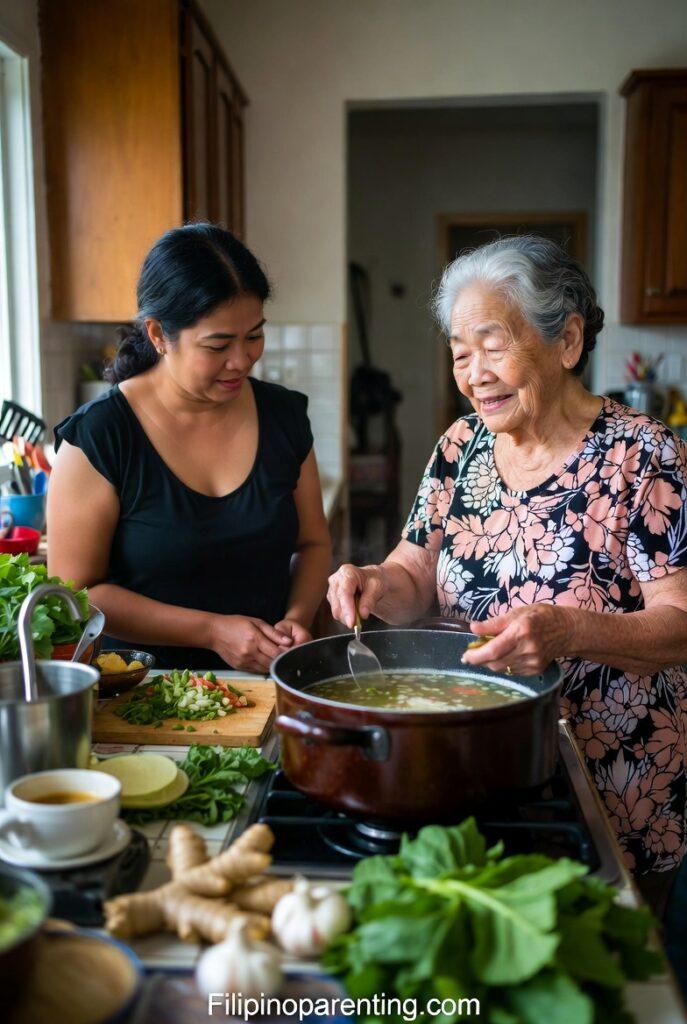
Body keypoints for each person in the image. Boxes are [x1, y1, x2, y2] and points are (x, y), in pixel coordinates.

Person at [328, 235, 687, 911]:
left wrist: (567, 631)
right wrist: (375, 582)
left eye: (492, 346)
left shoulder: (643, 455)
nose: (474, 375)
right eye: (460, 354)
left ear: (567, 341)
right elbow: (415, 570)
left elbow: (680, 625)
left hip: (613, 779)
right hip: (474, 766)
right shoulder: (460, 446)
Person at [49, 223, 331, 672]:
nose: (242, 360)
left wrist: (296, 619)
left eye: (254, 336)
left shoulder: (284, 416)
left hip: (266, 682)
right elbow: (75, 594)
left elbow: (313, 543)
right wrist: (211, 631)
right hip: (142, 691)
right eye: (218, 345)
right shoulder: (100, 436)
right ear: (159, 335)